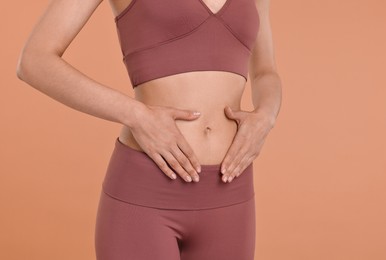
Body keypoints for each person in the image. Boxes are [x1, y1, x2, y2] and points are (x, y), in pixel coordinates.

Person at [16, 0, 282, 259]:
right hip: (146, 189)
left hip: (230, 192)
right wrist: (136, 114)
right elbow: (34, 60)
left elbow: (264, 71)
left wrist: (266, 115)